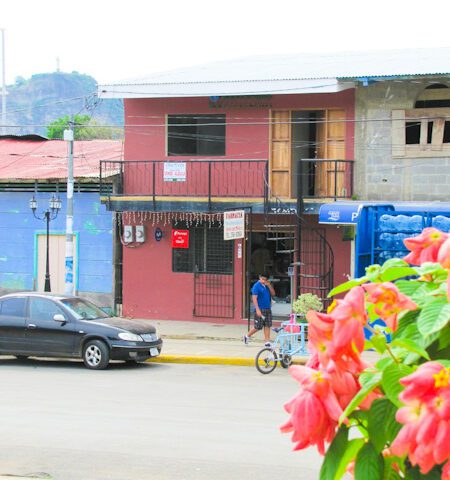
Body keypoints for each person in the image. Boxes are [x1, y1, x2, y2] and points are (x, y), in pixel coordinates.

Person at [243, 273, 275, 347]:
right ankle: (247, 336)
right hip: (260, 308)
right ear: (259, 278)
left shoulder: (267, 285)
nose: (263, 281)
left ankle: (267, 342)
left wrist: (269, 285)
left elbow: (273, 294)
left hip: (268, 308)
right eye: (262, 279)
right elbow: (254, 298)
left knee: (267, 325)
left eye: (265, 279)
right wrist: (257, 309)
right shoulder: (256, 286)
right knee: (258, 326)